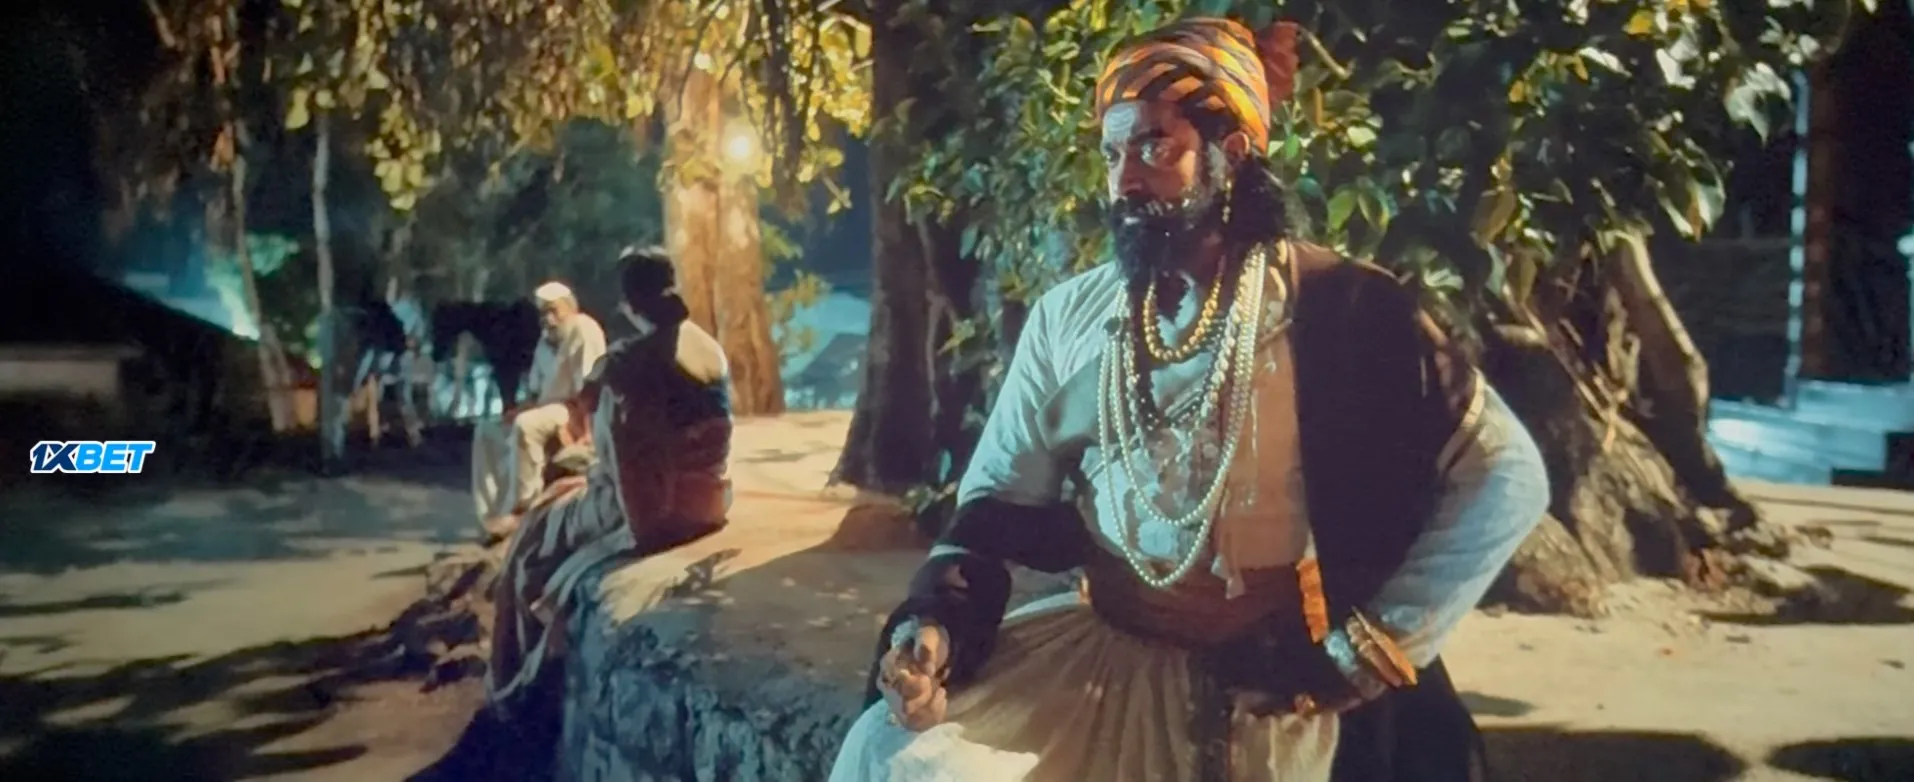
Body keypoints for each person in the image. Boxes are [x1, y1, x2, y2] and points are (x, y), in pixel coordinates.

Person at [830, 17, 1551, 782]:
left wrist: (1370, 647)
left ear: (1229, 155)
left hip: (1280, 678)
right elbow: (994, 503)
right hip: (1106, 656)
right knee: (896, 757)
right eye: (1112, 155)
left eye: (1154, 147)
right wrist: (938, 623)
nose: (1124, 183)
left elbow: (1508, 475)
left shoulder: (1344, 308)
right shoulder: (1072, 317)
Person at [486, 247, 734, 710]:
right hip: (712, 501)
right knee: (561, 498)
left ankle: (516, 688)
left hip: (656, 509)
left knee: (533, 541)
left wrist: (636, 527)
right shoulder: (707, 346)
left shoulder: (627, 365)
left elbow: (631, 472)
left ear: (629, 301)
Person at [471, 281, 608, 540]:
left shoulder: (583, 329)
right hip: (548, 408)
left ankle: (523, 508)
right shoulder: (545, 344)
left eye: (554, 311)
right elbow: (537, 391)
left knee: (528, 425)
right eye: (544, 313)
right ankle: (492, 514)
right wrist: (517, 410)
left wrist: (588, 433)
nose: (549, 319)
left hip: (574, 410)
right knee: (486, 430)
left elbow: (591, 388)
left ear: (570, 308)